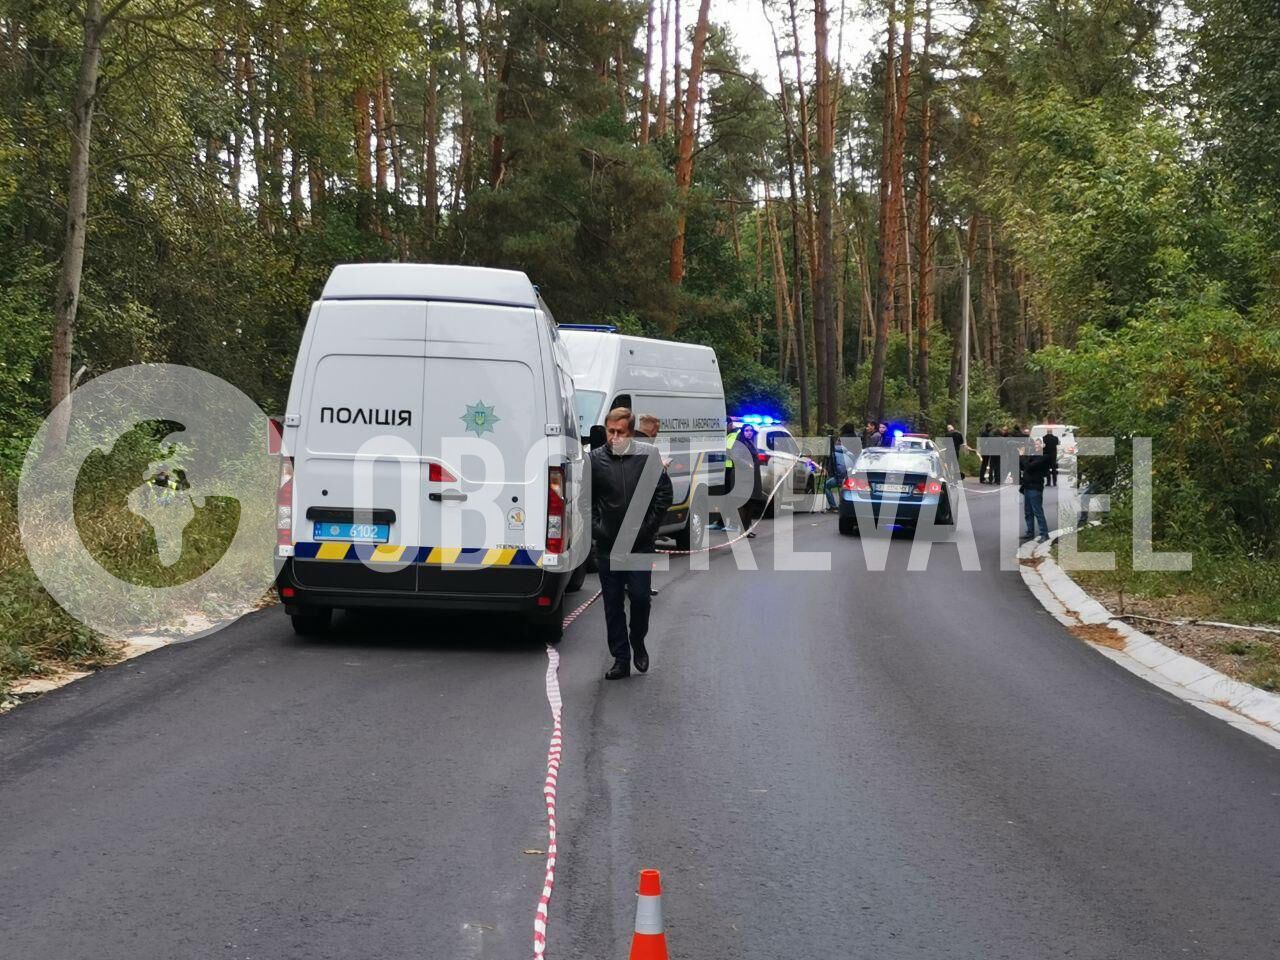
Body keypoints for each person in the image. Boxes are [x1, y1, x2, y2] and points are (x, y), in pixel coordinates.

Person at [590, 407, 673, 680]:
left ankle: (638, 640)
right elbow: (583, 501)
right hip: (608, 545)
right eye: (610, 431)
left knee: (639, 599)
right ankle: (621, 658)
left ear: (631, 432)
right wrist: (598, 528)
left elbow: (664, 494)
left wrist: (647, 528)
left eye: (620, 432)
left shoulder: (647, 456)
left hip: (638, 544)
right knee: (612, 604)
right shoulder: (595, 460)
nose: (614, 437)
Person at [732, 422, 762, 537]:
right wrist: (747, 464)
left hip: (752, 477)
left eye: (751, 431)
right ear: (743, 432)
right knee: (743, 504)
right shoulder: (739, 443)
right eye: (747, 431)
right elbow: (736, 457)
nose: (749, 433)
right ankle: (742, 530)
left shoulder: (751, 443)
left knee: (751, 503)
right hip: (742, 478)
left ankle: (747, 528)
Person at [1019, 438, 1051, 542]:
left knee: (1037, 511)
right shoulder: (1032, 456)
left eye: (1038, 444)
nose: (1036, 446)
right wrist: (1022, 457)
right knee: (1028, 512)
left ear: (1043, 445)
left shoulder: (1044, 457)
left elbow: (1029, 467)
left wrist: (1022, 455)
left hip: (1035, 487)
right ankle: (1030, 532)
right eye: (1035, 444)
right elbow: (1023, 467)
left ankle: (1044, 533)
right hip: (1027, 486)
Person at [824, 424, 856, 511]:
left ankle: (833, 506)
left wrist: (829, 473)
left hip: (839, 476)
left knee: (826, 486)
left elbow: (831, 466)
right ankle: (847, 506)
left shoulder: (834, 453)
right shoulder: (850, 453)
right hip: (850, 476)